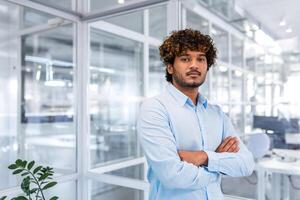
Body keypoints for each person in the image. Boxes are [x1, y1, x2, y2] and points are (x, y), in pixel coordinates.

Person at [137, 29, 255, 200]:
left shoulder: (216, 114)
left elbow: (246, 164)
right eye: (185, 59)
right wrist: (218, 164)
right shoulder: (155, 109)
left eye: (201, 59)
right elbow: (173, 175)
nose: (194, 65)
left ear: (207, 66)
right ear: (170, 67)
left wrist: (204, 157)